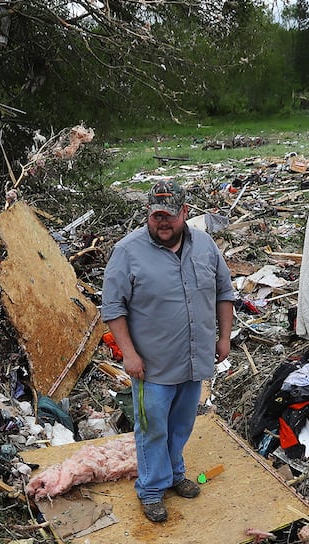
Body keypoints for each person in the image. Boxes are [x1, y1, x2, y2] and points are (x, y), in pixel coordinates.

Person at [101, 180, 237, 524]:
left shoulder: (205, 246)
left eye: (170, 216)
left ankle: (175, 473)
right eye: (156, 216)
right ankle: (150, 490)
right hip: (152, 366)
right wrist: (129, 355)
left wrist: (224, 339)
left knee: (181, 424)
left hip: (194, 360)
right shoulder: (128, 251)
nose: (163, 223)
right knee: (152, 429)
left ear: (185, 213)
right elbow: (113, 308)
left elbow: (224, 293)